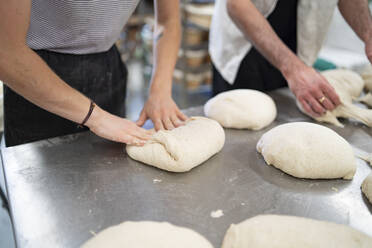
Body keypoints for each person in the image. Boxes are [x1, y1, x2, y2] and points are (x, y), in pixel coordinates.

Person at [0, 0, 187, 147]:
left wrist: (160, 91)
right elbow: (6, 54)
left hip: (107, 69)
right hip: (35, 81)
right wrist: (97, 118)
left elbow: (168, 21)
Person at [209, 0, 372, 117]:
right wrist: (293, 69)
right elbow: (238, 4)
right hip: (245, 47)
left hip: (299, 45)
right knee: (240, 123)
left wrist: (368, 34)